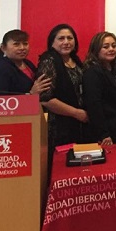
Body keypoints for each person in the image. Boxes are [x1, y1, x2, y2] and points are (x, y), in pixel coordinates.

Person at [38, 24, 88, 167]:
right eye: (61, 38)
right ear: (52, 42)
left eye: (70, 38)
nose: (66, 42)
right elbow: (46, 99)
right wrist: (76, 113)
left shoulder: (76, 61)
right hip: (59, 125)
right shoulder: (49, 61)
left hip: (78, 123)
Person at [82, 32, 116, 146]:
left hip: (115, 126)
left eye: (114, 46)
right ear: (96, 49)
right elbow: (94, 104)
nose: (111, 49)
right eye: (105, 47)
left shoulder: (113, 68)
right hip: (102, 132)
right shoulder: (92, 72)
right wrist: (103, 133)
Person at [0, 29, 51, 95]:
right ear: (3, 47)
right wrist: (30, 94)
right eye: (16, 44)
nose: (22, 48)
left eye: (25, 44)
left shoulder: (28, 63)